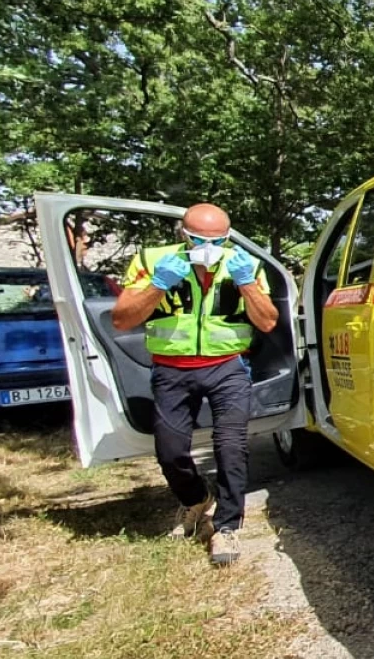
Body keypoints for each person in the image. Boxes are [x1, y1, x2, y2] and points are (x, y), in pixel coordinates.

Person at [113, 204, 278, 566]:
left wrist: (247, 283)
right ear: (183, 234)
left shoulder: (244, 263)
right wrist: (158, 285)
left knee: (231, 448)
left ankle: (227, 527)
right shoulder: (153, 260)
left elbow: (267, 322)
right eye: (201, 240)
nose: (210, 247)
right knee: (170, 451)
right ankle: (196, 498)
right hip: (172, 369)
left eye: (219, 240)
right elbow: (122, 319)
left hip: (227, 367)